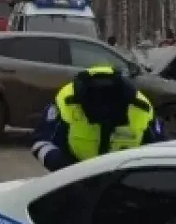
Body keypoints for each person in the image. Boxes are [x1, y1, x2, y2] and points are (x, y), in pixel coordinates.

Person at [30, 64, 164, 172]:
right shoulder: (67, 102)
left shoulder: (141, 108)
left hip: (123, 184)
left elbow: (160, 152)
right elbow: (41, 142)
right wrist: (62, 167)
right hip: (72, 179)